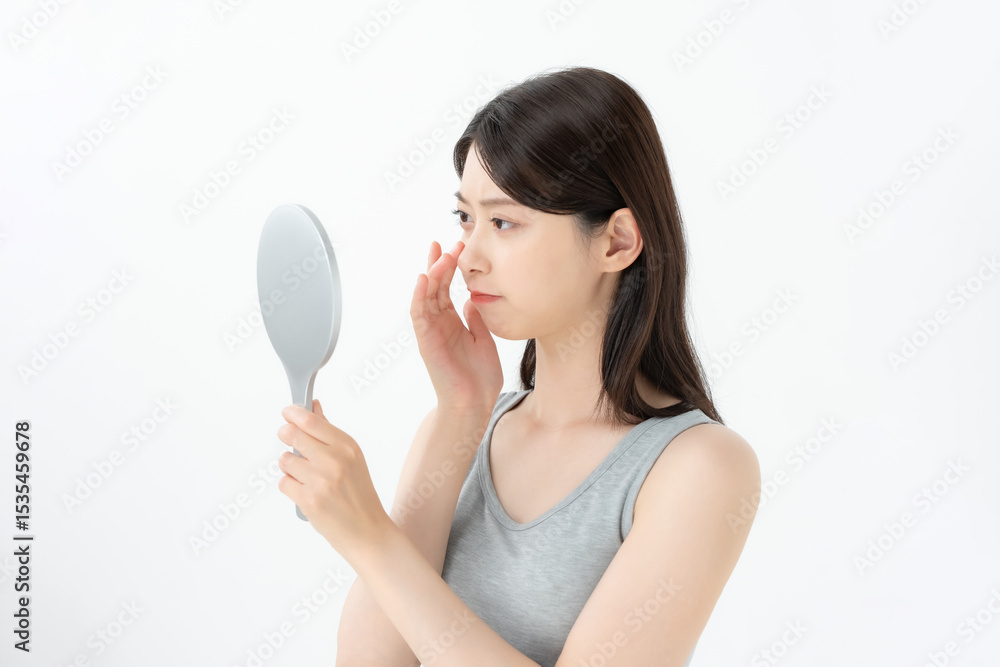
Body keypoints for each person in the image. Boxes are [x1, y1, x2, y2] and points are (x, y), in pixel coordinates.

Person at [334, 65, 761, 667]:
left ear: (616, 241)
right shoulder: (461, 426)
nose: (469, 257)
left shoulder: (701, 468)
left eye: (504, 222)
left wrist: (373, 541)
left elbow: (390, 571)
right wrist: (460, 410)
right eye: (465, 218)